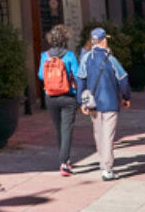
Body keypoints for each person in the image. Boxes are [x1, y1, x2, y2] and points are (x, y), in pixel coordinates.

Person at [76, 27, 131, 181]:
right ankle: (107, 168)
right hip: (110, 102)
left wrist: (82, 101)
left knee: (98, 134)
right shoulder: (111, 59)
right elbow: (123, 79)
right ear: (103, 40)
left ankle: (104, 163)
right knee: (108, 136)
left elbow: (81, 79)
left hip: (93, 103)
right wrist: (126, 96)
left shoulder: (86, 58)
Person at [39, 25, 81, 176]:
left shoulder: (45, 55)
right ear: (64, 40)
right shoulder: (69, 56)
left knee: (59, 129)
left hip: (50, 97)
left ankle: (64, 160)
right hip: (67, 96)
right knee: (67, 129)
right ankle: (65, 162)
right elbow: (77, 75)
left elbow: (40, 76)